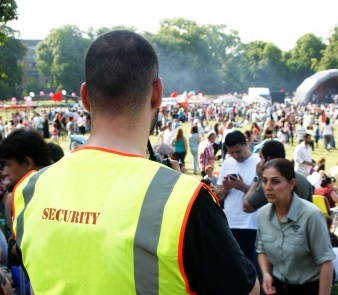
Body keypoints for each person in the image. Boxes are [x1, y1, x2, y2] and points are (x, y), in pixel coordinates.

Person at [11, 30, 259, 294]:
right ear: (157, 93)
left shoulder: (29, 190)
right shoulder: (183, 200)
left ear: (85, 97)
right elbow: (247, 291)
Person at [256, 158, 335, 295]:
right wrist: (266, 274)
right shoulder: (263, 214)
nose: (268, 187)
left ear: (291, 184)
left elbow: (326, 262)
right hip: (279, 287)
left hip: (308, 288)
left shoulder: (311, 215)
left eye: (275, 181)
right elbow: (262, 249)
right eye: (264, 180)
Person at [214, 130, 261, 262]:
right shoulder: (227, 163)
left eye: (238, 151)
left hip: (251, 224)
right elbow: (217, 196)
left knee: (250, 267)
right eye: (231, 152)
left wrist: (242, 187)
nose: (235, 155)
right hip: (230, 223)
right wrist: (226, 188)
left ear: (246, 144)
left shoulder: (258, 163)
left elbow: (262, 196)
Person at [243, 140, 313, 213]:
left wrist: (259, 179)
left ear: (268, 160)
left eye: (261, 158)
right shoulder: (303, 179)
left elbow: (246, 206)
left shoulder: (270, 184)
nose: (259, 163)